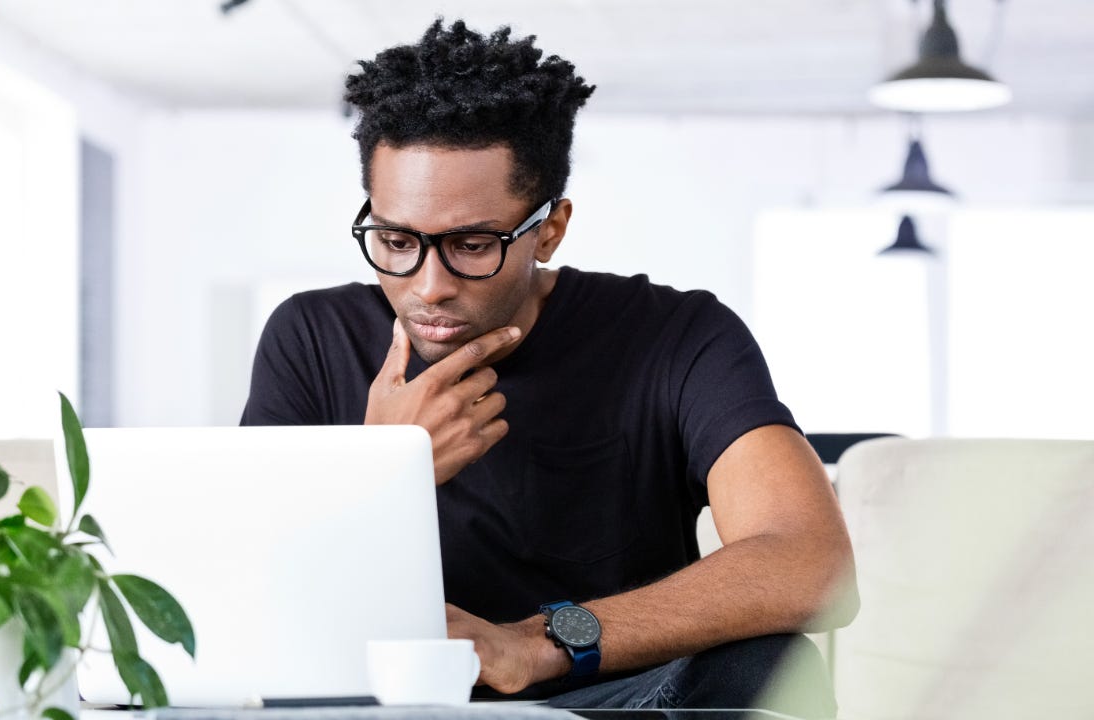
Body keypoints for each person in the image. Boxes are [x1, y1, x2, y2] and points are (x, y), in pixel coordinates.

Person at [241, 19, 858, 716]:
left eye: (473, 244)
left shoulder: (679, 335)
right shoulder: (311, 335)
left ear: (551, 227)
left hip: (610, 696)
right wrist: (383, 467)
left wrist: (537, 645)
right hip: (381, 700)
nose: (430, 284)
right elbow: (248, 591)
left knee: (771, 666)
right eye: (395, 239)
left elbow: (811, 562)